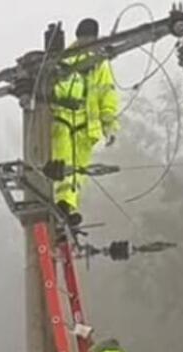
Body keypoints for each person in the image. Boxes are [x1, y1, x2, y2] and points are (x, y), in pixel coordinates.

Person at [50, 18, 120, 228]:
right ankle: (60, 204)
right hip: (62, 119)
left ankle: (67, 207)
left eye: (90, 38)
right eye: (84, 37)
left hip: (86, 126)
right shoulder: (63, 59)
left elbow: (107, 95)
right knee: (63, 162)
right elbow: (53, 88)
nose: (87, 41)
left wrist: (109, 126)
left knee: (78, 171)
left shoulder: (100, 63)